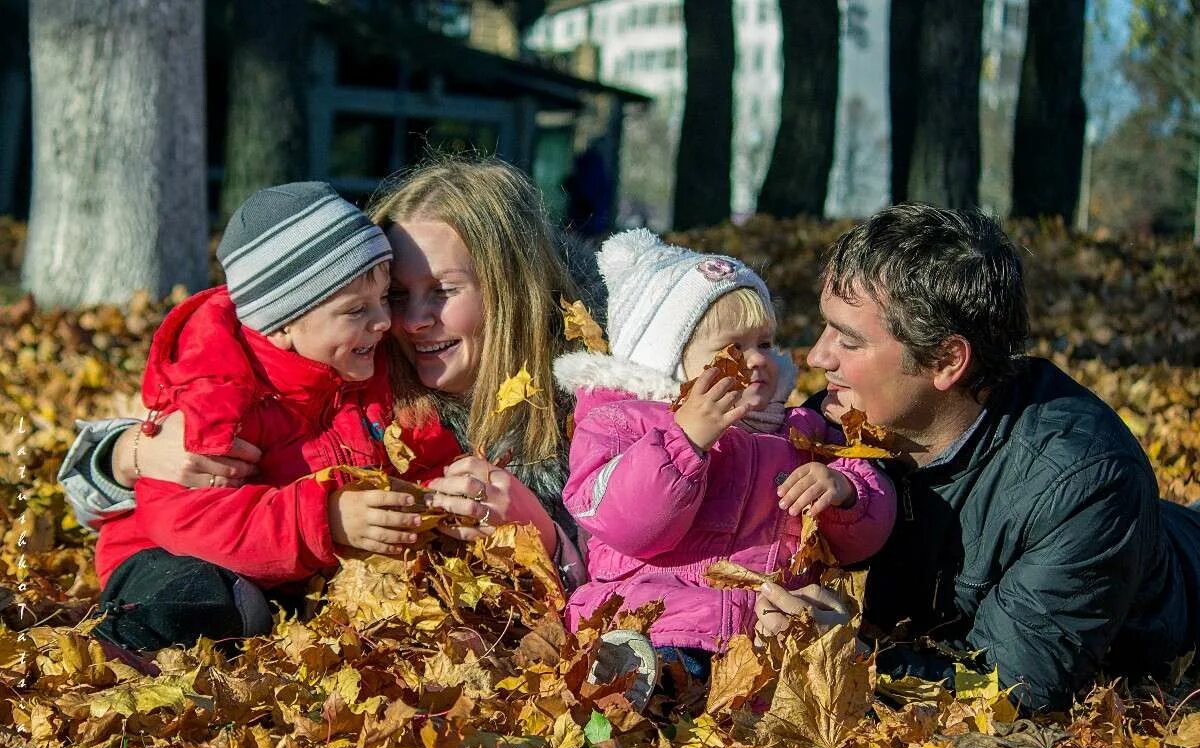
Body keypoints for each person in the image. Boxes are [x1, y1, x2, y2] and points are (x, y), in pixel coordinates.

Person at [60, 158, 593, 598]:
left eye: (444, 291)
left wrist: (545, 539)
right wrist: (127, 453)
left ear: (510, 288)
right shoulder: (363, 367)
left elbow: (643, 567)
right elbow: (155, 496)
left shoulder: (593, 399)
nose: (404, 321)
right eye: (397, 295)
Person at [754, 204, 1200, 712]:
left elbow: (1010, 691)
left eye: (848, 341)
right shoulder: (836, 424)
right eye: (825, 328)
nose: (816, 356)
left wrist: (854, 656)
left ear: (946, 361)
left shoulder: (1083, 484)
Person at [92, 181, 430, 651]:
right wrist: (324, 519)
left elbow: (421, 444)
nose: (382, 322)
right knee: (199, 595)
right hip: (174, 557)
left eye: (383, 299)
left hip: (290, 570)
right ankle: (131, 649)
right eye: (355, 309)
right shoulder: (218, 394)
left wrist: (441, 489)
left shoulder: (363, 373)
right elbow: (189, 521)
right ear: (284, 322)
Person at [555, 229, 896, 694]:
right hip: (657, 615)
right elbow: (626, 524)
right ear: (670, 359)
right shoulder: (622, 423)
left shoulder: (797, 429)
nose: (755, 361)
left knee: (794, 674)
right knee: (656, 662)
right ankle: (637, 688)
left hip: (764, 624)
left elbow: (865, 533)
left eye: (766, 343)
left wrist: (845, 491)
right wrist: (685, 440)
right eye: (733, 350)